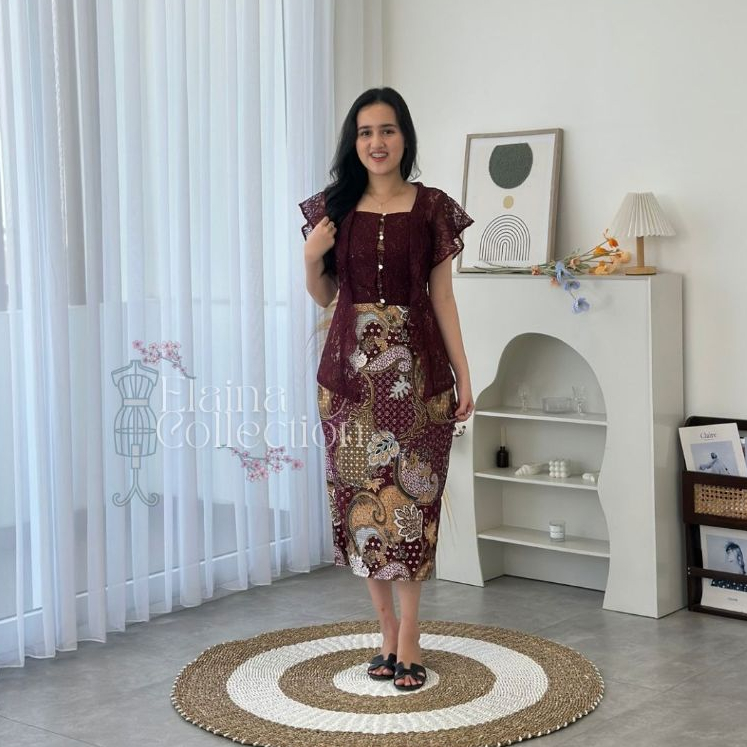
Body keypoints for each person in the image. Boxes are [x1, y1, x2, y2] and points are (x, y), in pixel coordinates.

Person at [299, 87, 474, 691]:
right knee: (361, 506)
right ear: (355, 142)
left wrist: (463, 373)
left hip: (419, 381)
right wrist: (311, 258)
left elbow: (443, 298)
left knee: (414, 509)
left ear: (405, 138)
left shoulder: (432, 208)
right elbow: (327, 296)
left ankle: (411, 636)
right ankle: (384, 631)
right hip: (348, 385)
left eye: (388, 130)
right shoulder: (332, 208)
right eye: (366, 132)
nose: (377, 142)